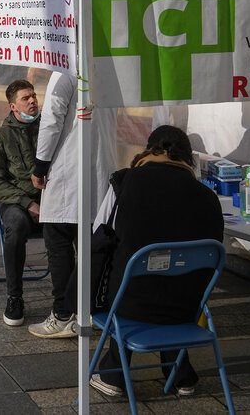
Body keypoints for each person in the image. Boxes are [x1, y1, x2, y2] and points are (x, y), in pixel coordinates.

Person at [90, 125, 223, 399]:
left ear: (149, 150)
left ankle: (114, 375)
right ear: (188, 158)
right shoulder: (208, 197)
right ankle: (180, 375)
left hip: (130, 302)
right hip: (186, 306)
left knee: (127, 270)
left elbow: (100, 233)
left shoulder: (125, 182)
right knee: (172, 276)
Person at [28, 71, 117, 338]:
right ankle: (86, 311)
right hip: (100, 170)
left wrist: (40, 165)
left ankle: (63, 314)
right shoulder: (107, 65)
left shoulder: (65, 70)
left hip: (68, 173)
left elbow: (51, 120)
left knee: (59, 248)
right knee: (90, 252)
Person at [0, 79, 42, 326]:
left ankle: (70, 298)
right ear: (12, 106)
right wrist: (28, 203)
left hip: (53, 198)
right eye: (25, 98)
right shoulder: (0, 137)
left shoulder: (49, 128)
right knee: (15, 228)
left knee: (80, 225)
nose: (32, 101)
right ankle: (14, 297)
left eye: (34, 96)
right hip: (18, 202)